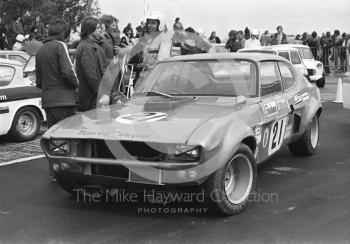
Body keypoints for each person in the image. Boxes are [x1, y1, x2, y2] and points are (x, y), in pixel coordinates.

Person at [35, 18, 78, 179]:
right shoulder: (60, 46)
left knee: (53, 136)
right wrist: (76, 85)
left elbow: (38, 81)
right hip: (64, 98)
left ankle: (55, 170)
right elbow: (68, 73)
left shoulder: (41, 50)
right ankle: (68, 171)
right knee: (68, 137)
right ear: (63, 33)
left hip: (48, 99)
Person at [76, 16, 109, 112]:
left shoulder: (91, 45)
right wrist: (101, 93)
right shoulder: (86, 47)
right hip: (91, 98)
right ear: (90, 29)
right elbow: (90, 73)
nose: (100, 29)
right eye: (97, 27)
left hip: (93, 96)